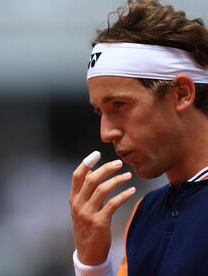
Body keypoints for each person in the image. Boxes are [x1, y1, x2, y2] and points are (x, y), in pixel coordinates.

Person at [69, 0, 208, 275]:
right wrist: (91, 263)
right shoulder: (145, 212)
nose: (106, 133)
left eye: (119, 105)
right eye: (100, 112)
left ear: (181, 93)